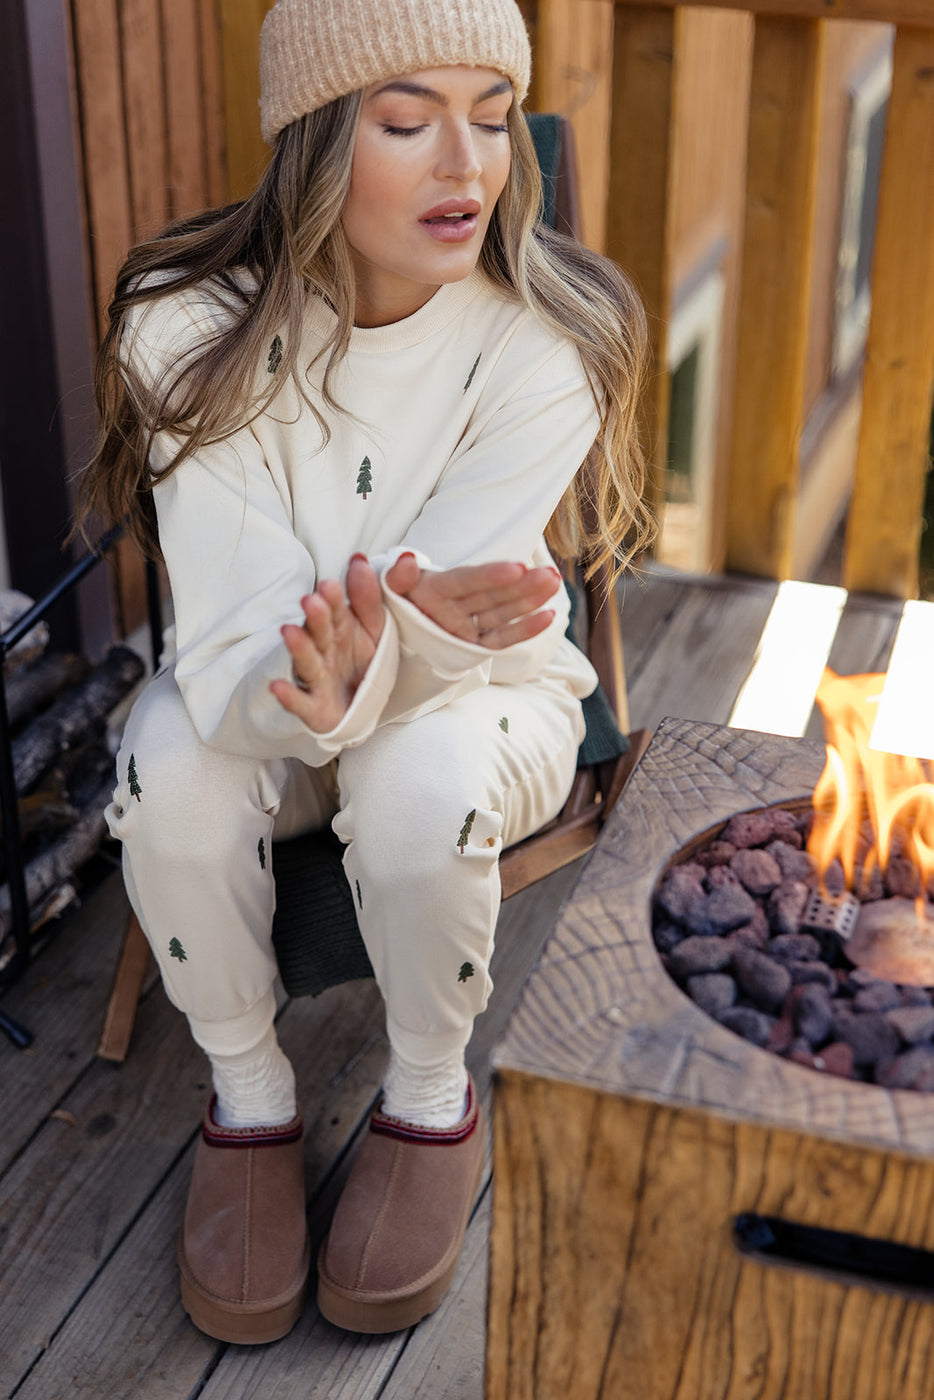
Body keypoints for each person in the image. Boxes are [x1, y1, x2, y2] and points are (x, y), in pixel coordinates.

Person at [77, 0, 651, 1346]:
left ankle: (429, 1093)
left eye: (494, 119)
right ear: (319, 141)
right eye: (406, 121)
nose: (467, 163)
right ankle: (249, 1096)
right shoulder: (183, 325)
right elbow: (228, 616)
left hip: (480, 697)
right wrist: (318, 677)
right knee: (168, 772)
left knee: (412, 771)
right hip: (254, 680)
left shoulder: (547, 338)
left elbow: (468, 610)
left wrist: (394, 655)